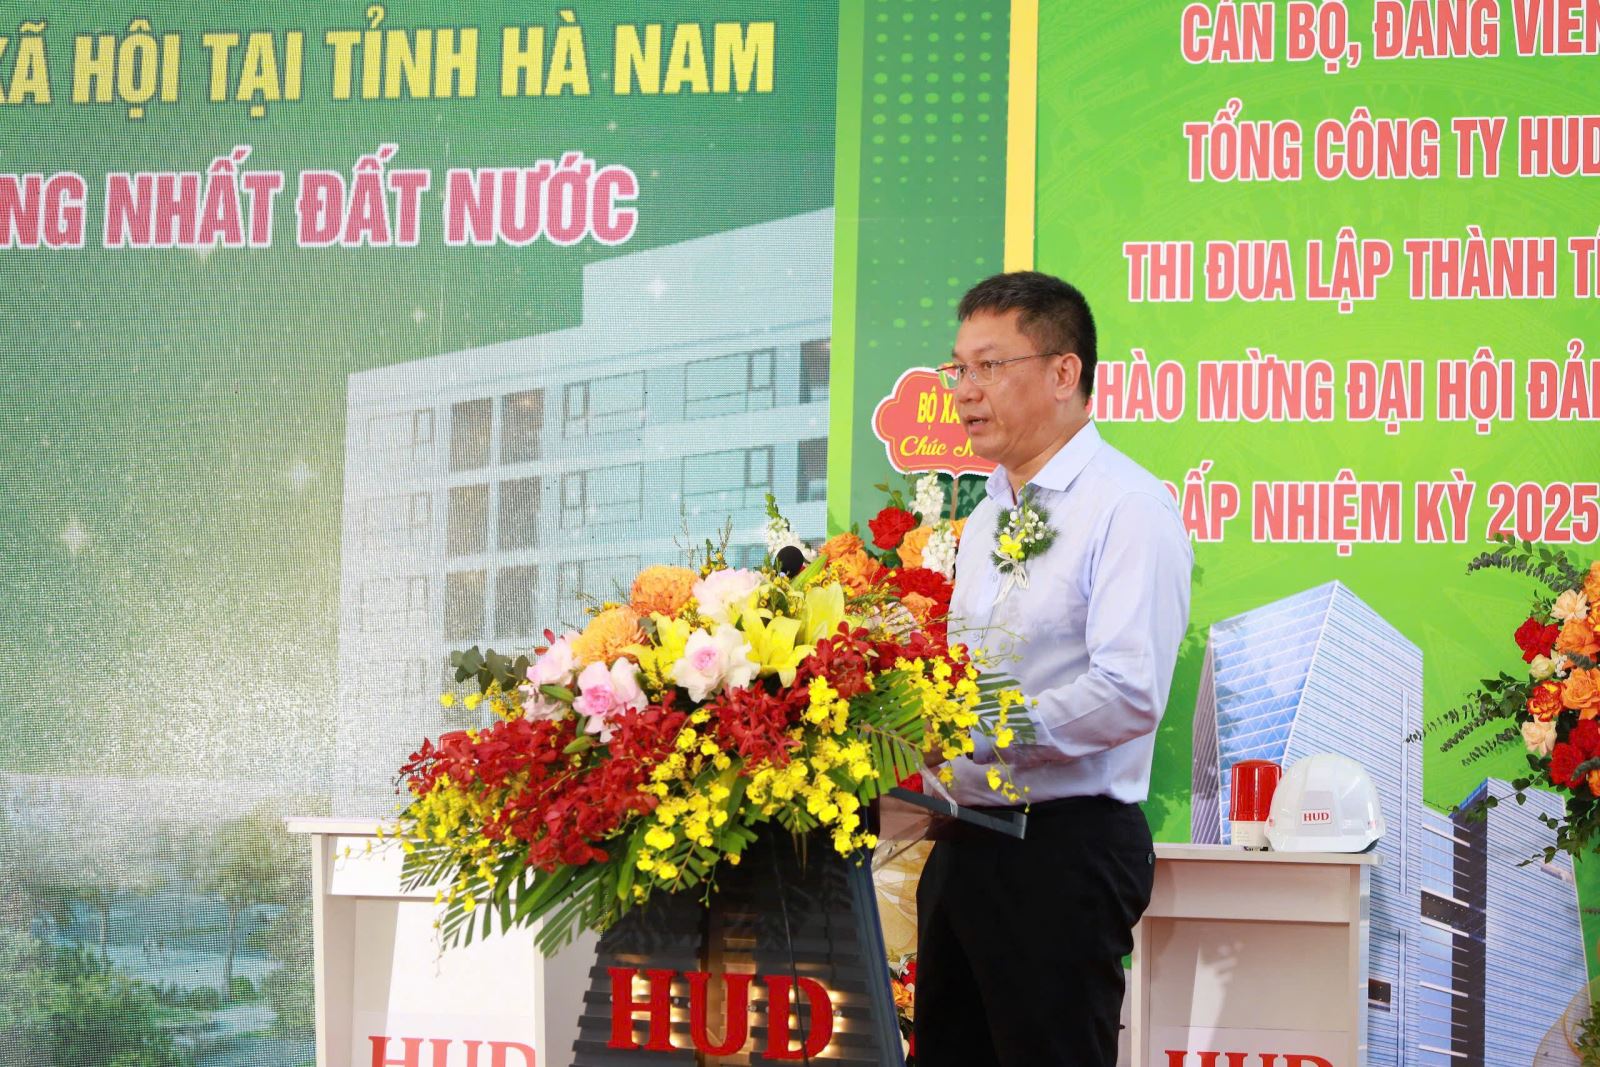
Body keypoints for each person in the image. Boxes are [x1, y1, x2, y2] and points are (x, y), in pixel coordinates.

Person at [914, 271, 1193, 1066]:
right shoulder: (985, 518)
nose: (964, 391)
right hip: (966, 843)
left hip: (1062, 852)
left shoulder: (1126, 506)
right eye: (958, 368)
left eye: (989, 366)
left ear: (1064, 372)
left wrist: (976, 730)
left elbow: (1128, 691)